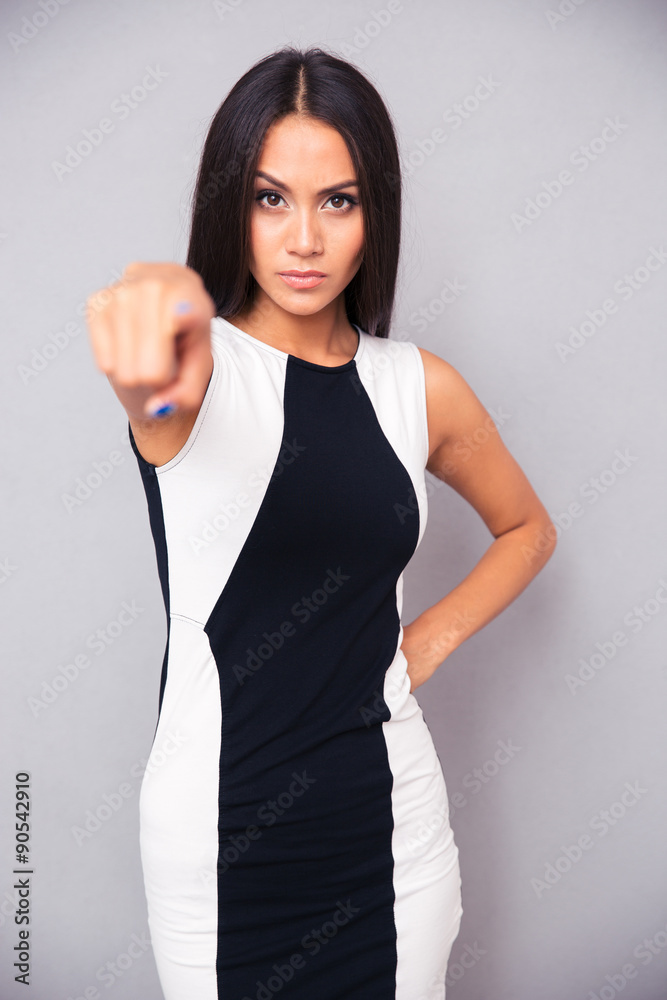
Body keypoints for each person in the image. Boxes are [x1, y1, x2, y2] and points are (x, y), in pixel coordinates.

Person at [86, 45, 556, 1000]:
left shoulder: (418, 387)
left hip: (393, 840)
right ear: (232, 208)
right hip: (220, 851)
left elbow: (527, 531)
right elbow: (155, 388)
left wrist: (425, 641)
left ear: (374, 212)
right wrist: (148, 353)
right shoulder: (200, 370)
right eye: (271, 199)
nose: (304, 238)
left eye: (337, 201)